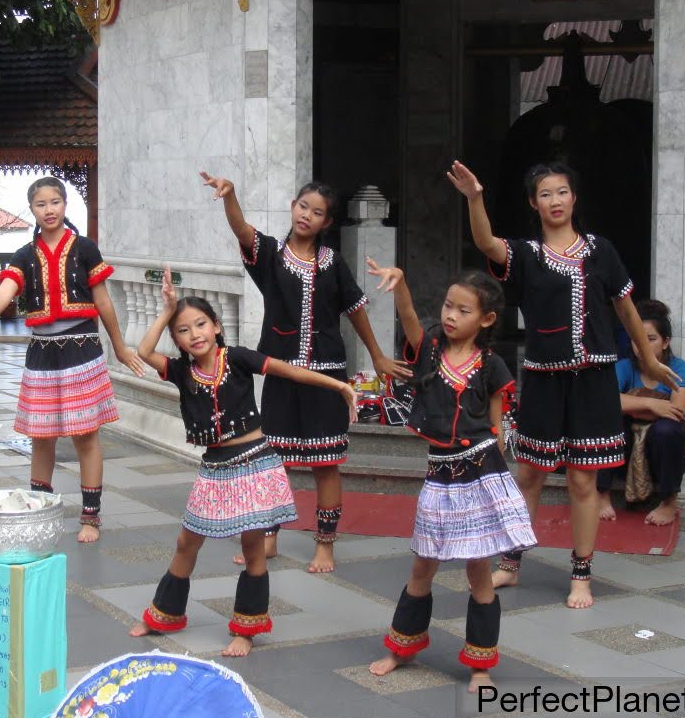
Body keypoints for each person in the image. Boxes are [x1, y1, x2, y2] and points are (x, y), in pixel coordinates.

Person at [447, 160, 680, 609]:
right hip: (542, 380)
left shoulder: (601, 251)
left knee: (582, 480)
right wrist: (475, 197)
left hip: (594, 378)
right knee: (531, 473)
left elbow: (626, 306)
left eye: (562, 192)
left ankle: (582, 573)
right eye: (546, 194)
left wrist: (648, 356)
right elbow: (486, 243)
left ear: (574, 198)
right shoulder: (528, 254)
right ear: (534, 204)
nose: (555, 201)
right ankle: (511, 564)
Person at [129, 268, 357, 656]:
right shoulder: (182, 372)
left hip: (253, 462)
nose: (194, 333)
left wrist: (337, 385)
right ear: (177, 340)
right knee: (187, 541)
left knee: (253, 546)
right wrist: (167, 310)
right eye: (183, 330)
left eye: (200, 324)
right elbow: (144, 351)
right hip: (215, 467)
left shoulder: (235, 358)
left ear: (217, 326)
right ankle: (164, 614)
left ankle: (245, 628)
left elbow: (289, 371)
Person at [201, 172, 409, 574]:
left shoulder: (333, 263)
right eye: (302, 206)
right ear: (292, 207)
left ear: (326, 222)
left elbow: (356, 310)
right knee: (273, 460)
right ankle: (269, 538)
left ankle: (325, 545)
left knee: (325, 463)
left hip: (327, 375)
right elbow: (242, 230)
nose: (306, 215)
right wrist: (230, 196)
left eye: (316, 212)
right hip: (281, 373)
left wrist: (379, 357)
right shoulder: (271, 255)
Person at [363, 263, 535, 691]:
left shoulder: (493, 365)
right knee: (423, 564)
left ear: (487, 319)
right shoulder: (430, 349)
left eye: (463, 310)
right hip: (439, 475)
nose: (451, 315)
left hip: (479, 471)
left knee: (478, 569)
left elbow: (497, 427)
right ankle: (401, 647)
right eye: (447, 306)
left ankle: (480, 664)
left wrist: (496, 471)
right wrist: (402, 284)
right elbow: (408, 320)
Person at [0, 176, 143, 543]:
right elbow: (6, 290)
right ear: (31, 209)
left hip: (81, 348)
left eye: (55, 202)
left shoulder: (84, 248)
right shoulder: (24, 255)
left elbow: (103, 301)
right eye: (40, 204)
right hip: (42, 353)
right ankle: (42, 511)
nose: (48, 210)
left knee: (85, 435)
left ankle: (90, 518)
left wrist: (120, 347)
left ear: (65, 205)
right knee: (41, 435)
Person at [597, 299, 685, 527]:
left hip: (660, 448)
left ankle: (669, 502)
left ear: (665, 341)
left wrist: (630, 405)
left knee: (666, 430)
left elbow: (677, 410)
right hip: (627, 448)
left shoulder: (680, 368)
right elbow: (604, 402)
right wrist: (652, 405)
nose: (641, 346)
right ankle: (601, 495)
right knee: (607, 420)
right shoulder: (623, 367)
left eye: (650, 339)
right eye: (636, 339)